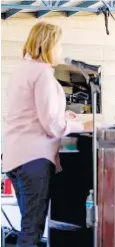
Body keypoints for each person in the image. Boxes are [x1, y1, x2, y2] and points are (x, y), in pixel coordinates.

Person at [2, 22, 93, 246]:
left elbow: (33, 114)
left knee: (28, 225)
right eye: (59, 44)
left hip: (16, 157)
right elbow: (51, 125)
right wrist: (84, 126)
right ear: (49, 44)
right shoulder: (42, 73)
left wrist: (64, 117)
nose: (60, 50)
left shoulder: (23, 69)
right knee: (32, 230)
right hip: (34, 159)